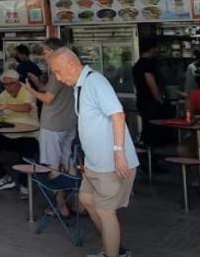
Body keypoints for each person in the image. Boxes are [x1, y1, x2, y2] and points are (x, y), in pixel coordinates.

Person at [48, 48, 137, 257]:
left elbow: (117, 115)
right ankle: (115, 246)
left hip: (111, 162)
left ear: (71, 65)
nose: (59, 79)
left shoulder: (95, 82)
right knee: (87, 200)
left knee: (106, 211)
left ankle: (113, 253)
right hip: (94, 164)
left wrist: (119, 152)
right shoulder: (80, 85)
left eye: (59, 72)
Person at [24, 38, 77, 216]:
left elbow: (48, 98)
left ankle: (61, 207)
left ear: (54, 51)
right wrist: (38, 84)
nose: (44, 57)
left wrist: (29, 89)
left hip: (53, 125)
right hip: (69, 122)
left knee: (53, 165)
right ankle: (79, 203)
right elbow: (51, 91)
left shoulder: (57, 72)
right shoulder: (71, 69)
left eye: (45, 53)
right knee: (68, 162)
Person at [0, 70, 39, 197]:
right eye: (5, 84)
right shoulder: (4, 93)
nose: (8, 87)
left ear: (18, 82)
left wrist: (6, 106)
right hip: (8, 134)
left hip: (28, 134)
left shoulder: (27, 90)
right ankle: (3, 176)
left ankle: (25, 186)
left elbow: (27, 107)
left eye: (10, 84)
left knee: (27, 152)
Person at [132, 36, 174, 148]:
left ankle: (149, 155)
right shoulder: (147, 64)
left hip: (142, 102)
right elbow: (151, 83)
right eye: (156, 48)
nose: (158, 51)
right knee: (153, 131)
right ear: (151, 49)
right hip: (150, 104)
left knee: (149, 128)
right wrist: (160, 100)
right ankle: (150, 157)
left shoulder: (138, 64)